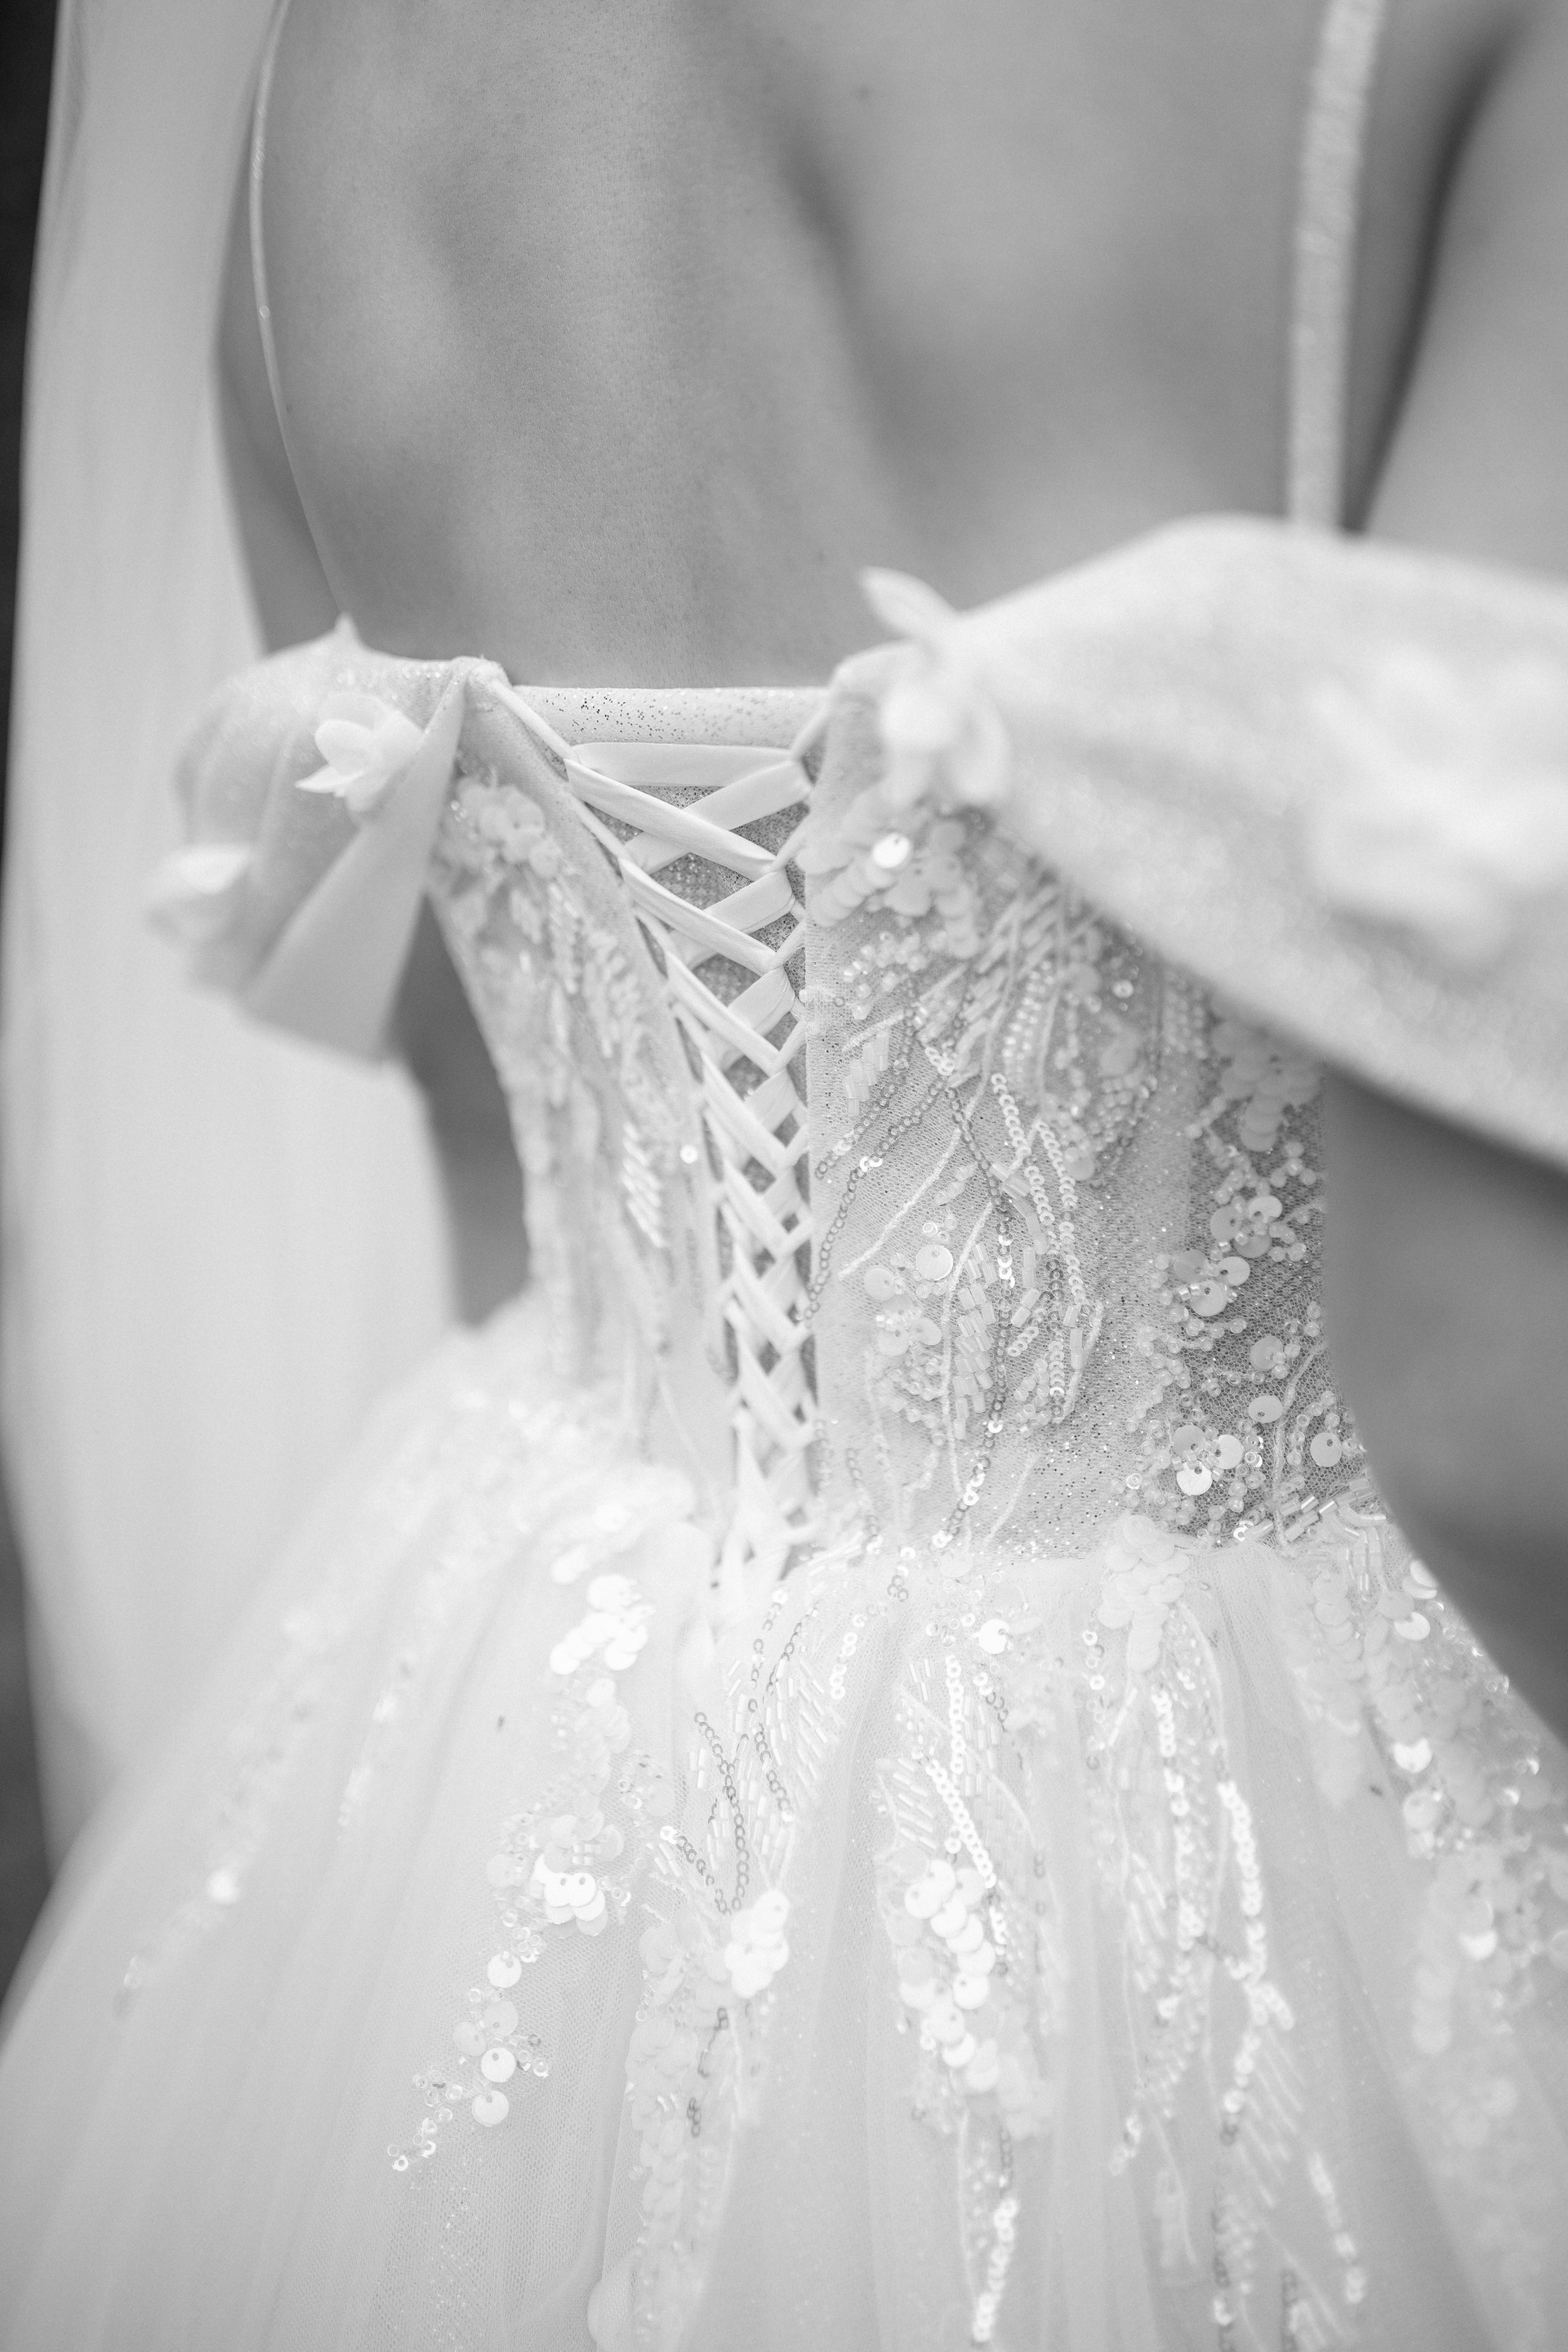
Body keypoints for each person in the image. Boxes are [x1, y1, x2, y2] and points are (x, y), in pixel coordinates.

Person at [2, 0, 1568, 2344]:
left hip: (515, 1720)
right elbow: (1497, 1398)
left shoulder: (312, 96)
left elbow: (467, 1121)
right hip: (1290, 1786)